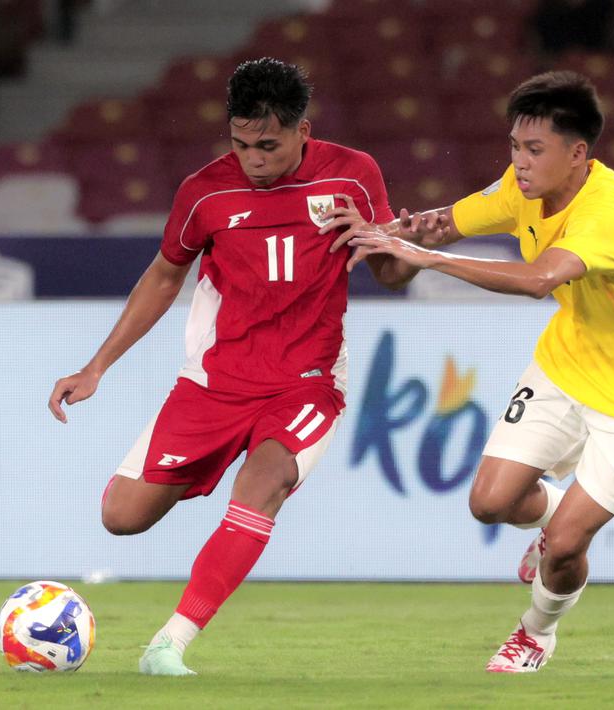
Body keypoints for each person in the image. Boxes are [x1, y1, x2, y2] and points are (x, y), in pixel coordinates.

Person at [323, 71, 614, 673]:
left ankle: (536, 632)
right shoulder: (518, 191)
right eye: (515, 147)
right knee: (490, 502)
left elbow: (538, 279)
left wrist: (429, 257)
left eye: (535, 150)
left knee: (572, 545)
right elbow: (439, 225)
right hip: (566, 365)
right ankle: (552, 521)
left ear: (578, 153)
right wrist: (385, 235)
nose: (520, 163)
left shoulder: (607, 212)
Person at [47, 57, 396, 676]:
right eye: (240, 144)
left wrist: (380, 239)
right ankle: (210, 483)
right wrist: (97, 365)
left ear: (303, 132)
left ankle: (169, 644)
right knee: (121, 516)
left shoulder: (354, 177)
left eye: (268, 145)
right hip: (214, 385)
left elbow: (394, 273)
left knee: (263, 484)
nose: (253, 159)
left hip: (306, 382)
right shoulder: (205, 192)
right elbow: (162, 278)